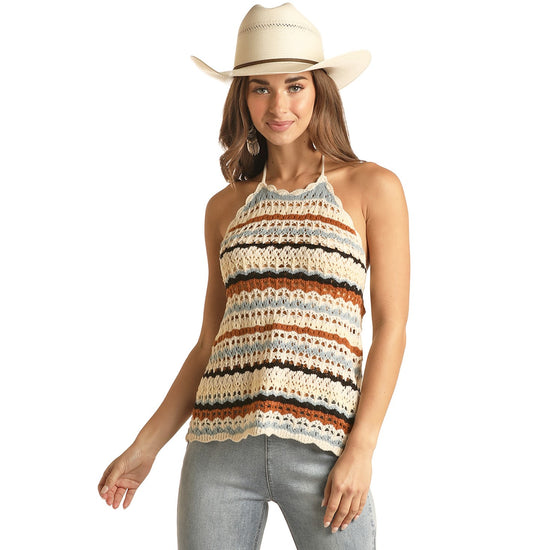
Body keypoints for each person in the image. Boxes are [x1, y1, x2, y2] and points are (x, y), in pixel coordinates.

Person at [98, 3, 410, 549]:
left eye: (294, 86)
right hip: (218, 451)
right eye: (260, 88)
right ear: (242, 97)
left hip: (324, 448)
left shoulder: (371, 188)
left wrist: (362, 448)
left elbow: (391, 326)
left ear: (319, 91)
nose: (279, 105)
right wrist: (145, 446)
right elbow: (209, 344)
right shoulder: (224, 208)